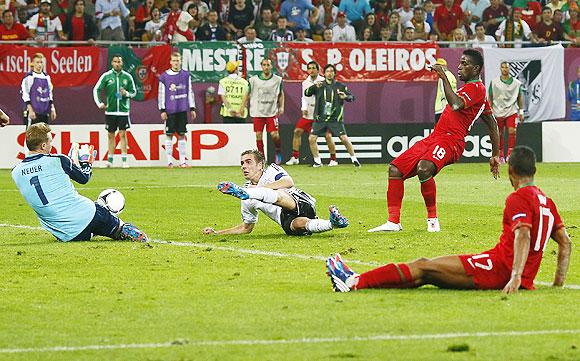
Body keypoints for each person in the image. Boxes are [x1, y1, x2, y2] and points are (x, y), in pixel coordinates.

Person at [327, 146, 571, 294]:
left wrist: (516, 275)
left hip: (497, 268)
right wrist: (557, 283)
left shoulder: (518, 198)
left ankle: (353, 281)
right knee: (426, 274)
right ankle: (356, 281)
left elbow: (524, 234)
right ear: (534, 171)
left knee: (424, 265)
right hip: (503, 268)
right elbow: (565, 243)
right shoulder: (546, 201)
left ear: (511, 172)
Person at [368, 49, 500, 233]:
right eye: (460, 63)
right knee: (395, 169)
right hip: (435, 137)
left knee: (424, 168)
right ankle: (393, 221)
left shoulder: (478, 88)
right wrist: (495, 155)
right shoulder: (472, 92)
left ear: (476, 68)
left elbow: (455, 104)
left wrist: (443, 76)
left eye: (464, 63)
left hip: (452, 141)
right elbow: (492, 123)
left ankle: (432, 221)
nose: (459, 67)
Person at [11, 123, 149, 243]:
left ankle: (97, 223)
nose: (51, 145)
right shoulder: (58, 160)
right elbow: (84, 178)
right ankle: (128, 231)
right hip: (88, 215)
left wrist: (71, 162)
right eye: (50, 142)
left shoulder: (16, 172)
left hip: (66, 234)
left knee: (90, 215)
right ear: (43, 145)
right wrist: (86, 163)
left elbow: (45, 178)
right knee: (116, 225)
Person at [203, 149, 349, 236]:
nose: (243, 166)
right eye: (242, 163)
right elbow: (246, 228)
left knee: (279, 196)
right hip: (285, 219)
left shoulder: (272, 170)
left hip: (300, 202)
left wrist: (258, 190)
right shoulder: (245, 194)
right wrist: (217, 233)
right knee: (299, 224)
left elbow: (288, 182)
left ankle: (259, 194)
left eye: (248, 162)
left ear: (260, 165)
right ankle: (333, 223)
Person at [305, 64, 361, 168]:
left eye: (331, 71)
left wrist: (345, 96)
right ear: (324, 73)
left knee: (344, 138)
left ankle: (354, 159)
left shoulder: (341, 86)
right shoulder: (319, 85)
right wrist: (313, 86)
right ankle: (317, 161)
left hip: (335, 119)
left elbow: (352, 97)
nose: (329, 73)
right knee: (312, 138)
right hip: (320, 119)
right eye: (327, 71)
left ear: (334, 73)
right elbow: (306, 93)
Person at [286, 61, 337, 166]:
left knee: (327, 136)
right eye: (310, 68)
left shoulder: (324, 81)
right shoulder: (305, 83)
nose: (312, 70)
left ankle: (333, 159)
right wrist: (303, 107)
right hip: (308, 113)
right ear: (307, 70)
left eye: (314, 68)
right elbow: (304, 97)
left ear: (318, 70)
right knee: (297, 131)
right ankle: (295, 157)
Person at [93, 55, 137, 169]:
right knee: (110, 135)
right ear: (112, 63)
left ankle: (124, 160)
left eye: (119, 62)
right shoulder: (107, 76)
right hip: (110, 110)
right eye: (115, 62)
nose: (117, 64)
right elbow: (96, 89)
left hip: (123, 111)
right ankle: (110, 161)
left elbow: (134, 92)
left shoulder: (127, 77)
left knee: (123, 134)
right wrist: (99, 103)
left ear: (122, 63)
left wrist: (126, 93)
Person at [158, 52, 197, 168]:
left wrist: (192, 108)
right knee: (169, 135)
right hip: (170, 110)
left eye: (177, 60)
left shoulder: (185, 75)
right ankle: (169, 162)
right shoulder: (164, 76)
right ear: (170, 62)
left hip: (182, 109)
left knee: (181, 134)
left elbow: (190, 91)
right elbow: (161, 93)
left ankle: (182, 162)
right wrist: (162, 110)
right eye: (174, 61)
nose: (176, 63)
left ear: (180, 61)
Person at [248, 58, 284, 164]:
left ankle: (278, 152)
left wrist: (281, 106)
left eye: (268, 65)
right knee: (258, 135)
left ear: (271, 66)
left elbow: (281, 94)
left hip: (271, 112)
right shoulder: (254, 80)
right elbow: (248, 93)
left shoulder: (277, 80)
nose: (266, 67)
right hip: (257, 112)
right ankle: (262, 158)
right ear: (261, 66)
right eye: (264, 65)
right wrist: (243, 107)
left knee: (274, 135)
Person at [489, 62, 524, 163]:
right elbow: (490, 96)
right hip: (497, 110)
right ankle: (499, 155)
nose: (504, 69)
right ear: (500, 69)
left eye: (506, 67)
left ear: (509, 69)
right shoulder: (494, 82)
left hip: (511, 110)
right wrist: (489, 109)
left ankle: (510, 155)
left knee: (512, 131)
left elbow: (520, 97)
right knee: (498, 133)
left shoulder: (516, 83)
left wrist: (521, 111)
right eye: (503, 67)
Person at [21, 53, 56, 128]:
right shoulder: (29, 77)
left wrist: (52, 108)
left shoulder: (47, 77)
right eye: (37, 62)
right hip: (33, 112)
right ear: (33, 63)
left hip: (44, 112)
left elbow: (49, 93)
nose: (39, 64)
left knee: (44, 137)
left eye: (41, 62)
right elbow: (25, 94)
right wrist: (30, 110)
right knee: (31, 137)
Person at [433, 58, 457, 124]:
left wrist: (445, 109)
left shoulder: (443, 77)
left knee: (440, 131)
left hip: (442, 108)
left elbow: (444, 93)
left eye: (438, 67)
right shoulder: (452, 76)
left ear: (442, 66)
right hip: (451, 107)